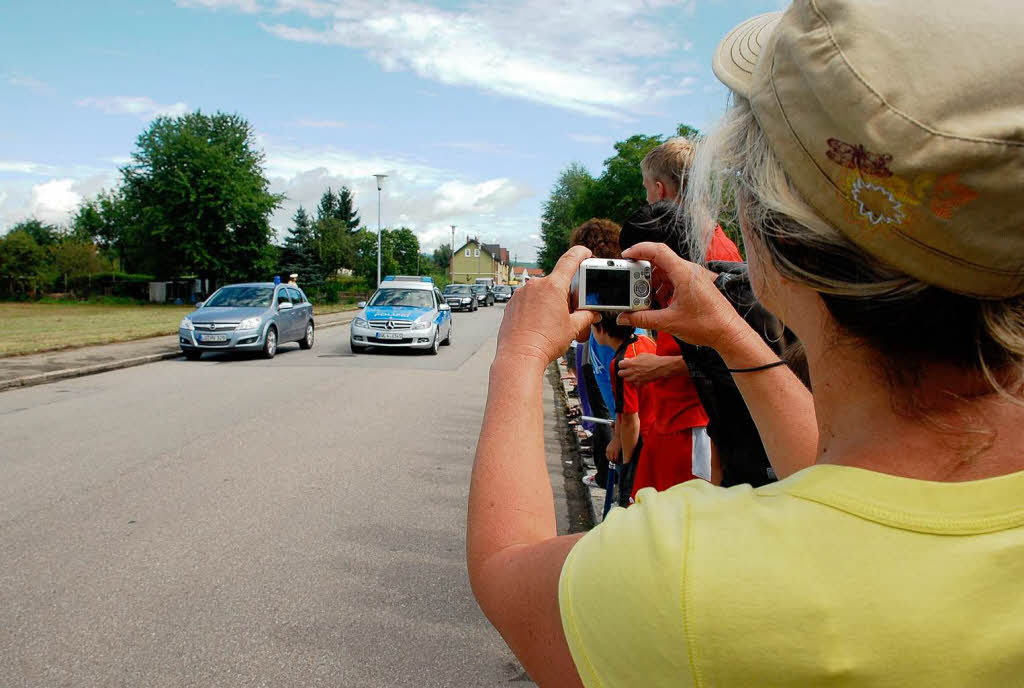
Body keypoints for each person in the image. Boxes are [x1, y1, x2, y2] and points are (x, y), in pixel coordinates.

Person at [467, 1, 1024, 685]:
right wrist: (731, 334)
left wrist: (520, 357)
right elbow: (835, 480)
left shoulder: (691, 577)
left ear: (774, 242)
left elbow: (507, 575)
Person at [568, 218, 623, 490]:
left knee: (604, 412)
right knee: (620, 409)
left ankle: (606, 474)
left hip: (598, 348)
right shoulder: (624, 272)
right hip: (626, 345)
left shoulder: (584, 275)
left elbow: (579, 333)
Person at [589, 313, 656, 507]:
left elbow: (630, 418)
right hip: (656, 430)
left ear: (601, 329)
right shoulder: (646, 342)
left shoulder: (620, 364)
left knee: (631, 498)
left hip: (642, 440)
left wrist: (626, 462)